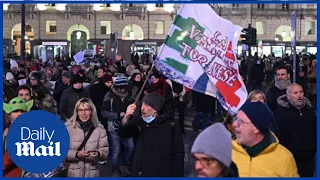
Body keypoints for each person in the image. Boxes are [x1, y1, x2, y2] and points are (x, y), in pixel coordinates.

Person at [118, 91, 185, 177]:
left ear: (156, 109)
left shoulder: (171, 125)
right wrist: (126, 117)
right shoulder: (139, 122)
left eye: (147, 105)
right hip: (140, 173)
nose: (142, 108)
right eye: (142, 104)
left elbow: (178, 155)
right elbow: (123, 134)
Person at [232, 101, 299, 177]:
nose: (234, 124)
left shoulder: (285, 158)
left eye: (240, 121)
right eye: (236, 119)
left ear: (256, 128)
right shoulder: (226, 153)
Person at [274, 83, 316, 177]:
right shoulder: (280, 113)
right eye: (295, 93)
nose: (299, 95)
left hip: (309, 158)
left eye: (301, 92)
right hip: (290, 158)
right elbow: (277, 135)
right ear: (288, 96)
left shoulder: (310, 111)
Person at [65, 98, 108, 177]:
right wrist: (76, 154)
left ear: (92, 111)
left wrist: (98, 154)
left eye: (87, 110)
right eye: (80, 110)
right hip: (73, 173)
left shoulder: (100, 129)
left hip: (92, 173)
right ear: (76, 112)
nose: (83, 113)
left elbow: (105, 151)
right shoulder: (68, 128)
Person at [3, 97, 33, 177]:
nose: (19, 114)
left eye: (22, 111)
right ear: (9, 115)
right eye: (16, 111)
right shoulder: (5, 134)